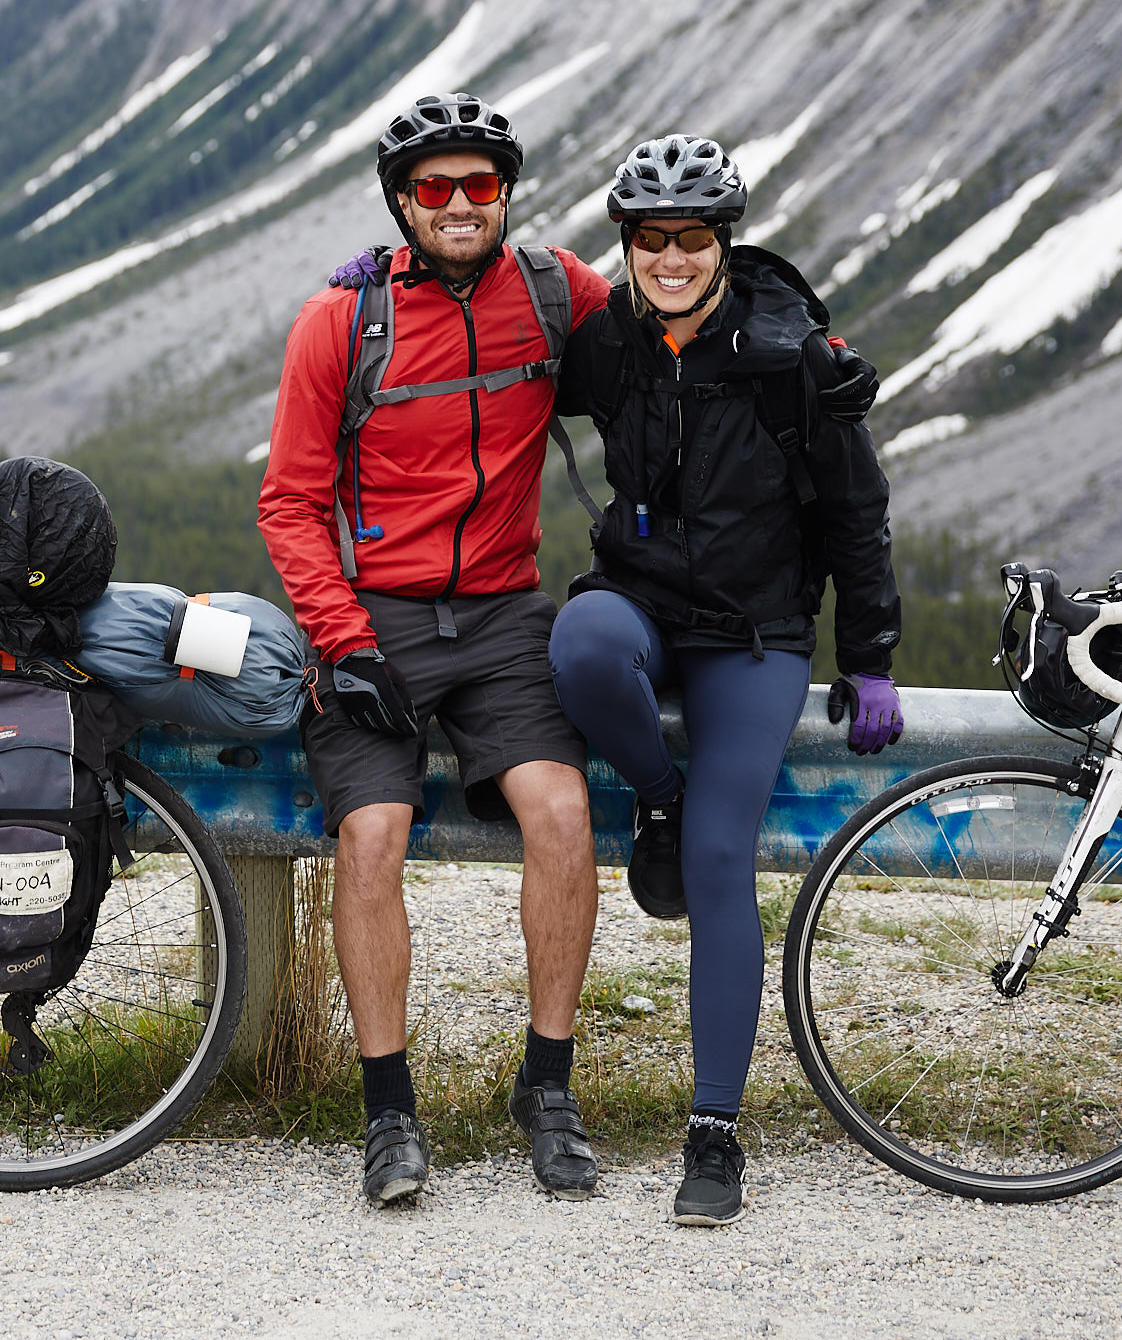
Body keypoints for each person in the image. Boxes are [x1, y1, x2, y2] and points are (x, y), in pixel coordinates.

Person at [259, 93, 616, 1206]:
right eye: (433, 188)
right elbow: (287, 502)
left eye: (477, 184)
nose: (458, 205)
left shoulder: (558, 291)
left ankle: (546, 1088)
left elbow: (680, 327)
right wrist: (343, 637)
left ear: (505, 191)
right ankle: (388, 1109)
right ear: (401, 204)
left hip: (506, 613)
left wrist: (804, 350)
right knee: (372, 836)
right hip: (376, 618)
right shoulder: (339, 323)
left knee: (561, 816)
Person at [545, 134, 903, 1227]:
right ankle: (657, 789)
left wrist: (872, 656)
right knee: (581, 650)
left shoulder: (790, 355)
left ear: (720, 242)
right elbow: (488, 340)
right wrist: (385, 276)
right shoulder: (607, 340)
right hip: (641, 600)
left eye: (690, 237)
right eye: (649, 238)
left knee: (717, 857)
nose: (669, 256)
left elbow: (855, 510)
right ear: (628, 245)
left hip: (755, 633)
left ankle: (713, 1131)